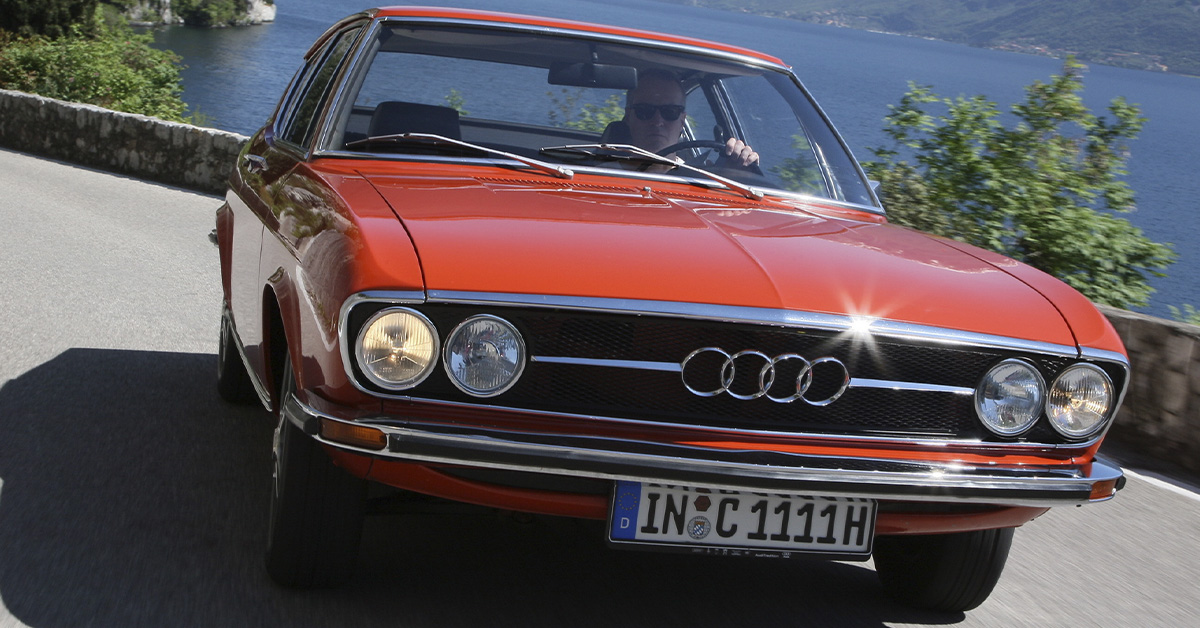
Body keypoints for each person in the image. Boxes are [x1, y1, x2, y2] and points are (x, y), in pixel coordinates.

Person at [622, 68, 759, 168]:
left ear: (682, 121)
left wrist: (740, 169)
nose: (657, 121)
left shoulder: (703, 178)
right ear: (628, 117)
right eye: (645, 111)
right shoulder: (603, 174)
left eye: (670, 112)